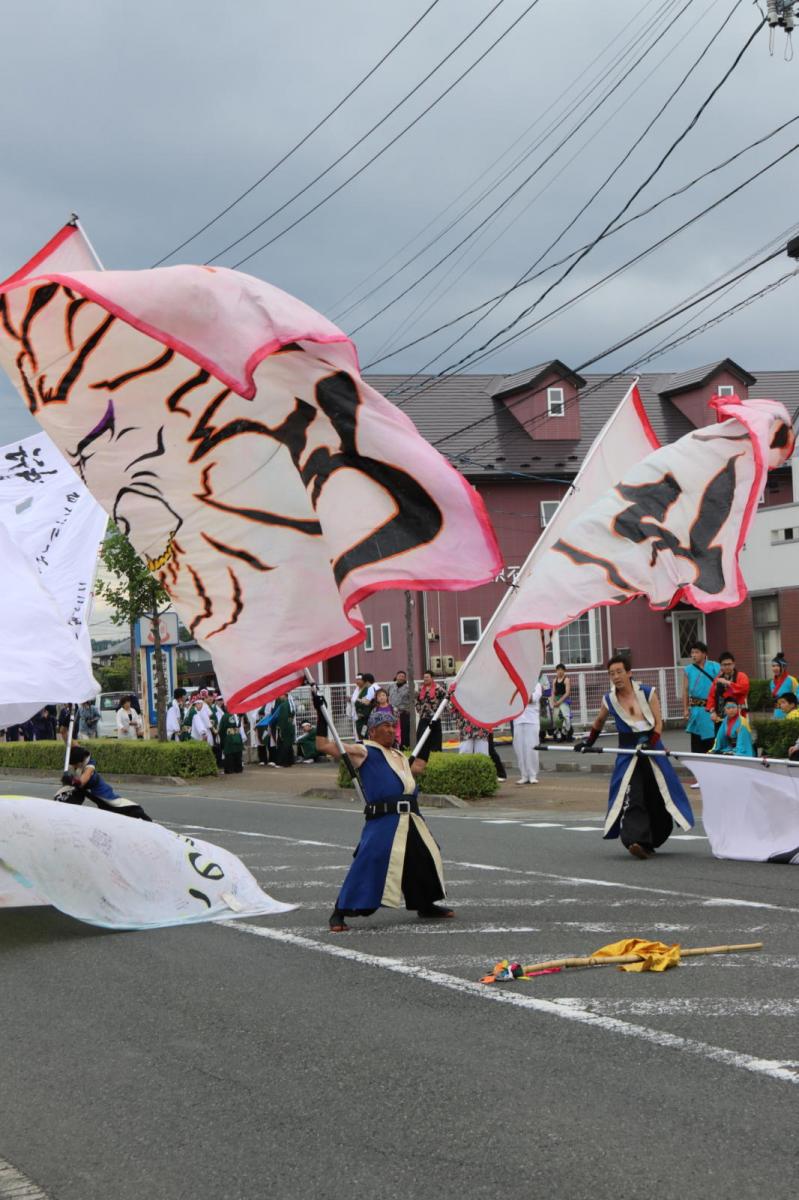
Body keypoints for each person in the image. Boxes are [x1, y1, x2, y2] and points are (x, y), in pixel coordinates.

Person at [315, 701, 453, 932]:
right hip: (384, 820)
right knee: (370, 860)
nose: (390, 729)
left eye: (392, 725)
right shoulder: (365, 751)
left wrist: (432, 732)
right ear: (372, 731)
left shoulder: (397, 755)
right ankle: (340, 911)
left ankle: (424, 904)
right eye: (384, 726)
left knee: (424, 857)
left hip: (411, 818)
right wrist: (321, 714)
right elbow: (323, 745)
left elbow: (418, 767)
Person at [576, 654, 694, 859]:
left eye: (619, 672)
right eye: (611, 673)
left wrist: (651, 741)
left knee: (657, 796)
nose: (616, 677)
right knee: (634, 795)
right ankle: (636, 841)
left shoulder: (648, 693)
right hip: (628, 751)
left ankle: (652, 839)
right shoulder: (609, 699)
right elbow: (599, 722)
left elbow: (658, 722)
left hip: (652, 748)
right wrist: (588, 742)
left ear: (629, 673)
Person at [57, 745, 152, 820]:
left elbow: (82, 782)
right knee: (66, 794)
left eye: (73, 764)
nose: (72, 766)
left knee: (133, 812)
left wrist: (71, 780)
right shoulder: (79, 755)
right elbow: (71, 742)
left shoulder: (89, 768)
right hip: (97, 801)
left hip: (107, 800)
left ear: (79, 762)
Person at [706, 652, 749, 724]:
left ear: (734, 664)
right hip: (720, 716)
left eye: (729, 664)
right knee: (719, 735)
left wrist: (728, 683)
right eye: (724, 665)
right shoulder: (717, 680)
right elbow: (711, 697)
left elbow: (743, 689)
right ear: (720, 666)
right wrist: (712, 712)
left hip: (739, 715)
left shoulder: (741, 676)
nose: (727, 666)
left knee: (739, 734)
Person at [513, 680, 542, 784]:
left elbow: (531, 699)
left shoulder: (536, 685)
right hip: (518, 719)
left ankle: (532, 774)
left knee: (531, 747)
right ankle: (524, 775)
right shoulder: (515, 684)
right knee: (519, 748)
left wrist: (519, 694)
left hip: (532, 720)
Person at [415, 671, 446, 753]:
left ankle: (436, 754)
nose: (425, 679)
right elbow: (417, 701)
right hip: (424, 716)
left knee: (435, 738)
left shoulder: (438, 688)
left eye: (427, 677)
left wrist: (439, 710)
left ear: (432, 678)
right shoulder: (421, 689)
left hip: (435, 717)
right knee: (421, 736)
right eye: (424, 677)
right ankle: (422, 754)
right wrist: (419, 709)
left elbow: (446, 699)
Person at [269, 693, 295, 767]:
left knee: (283, 745)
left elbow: (283, 718)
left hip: (285, 726)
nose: (279, 697)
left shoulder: (283, 705)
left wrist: (280, 728)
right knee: (288, 744)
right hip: (290, 725)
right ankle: (290, 761)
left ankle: (283, 763)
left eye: (281, 695)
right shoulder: (291, 703)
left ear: (285, 696)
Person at [770, 653, 799, 718]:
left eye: (777, 666)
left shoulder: (791, 680)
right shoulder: (772, 682)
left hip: (790, 713)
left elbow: (798, 693)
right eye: (773, 666)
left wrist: (791, 703)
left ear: (783, 667)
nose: (775, 668)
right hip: (777, 712)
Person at [388, 670, 412, 749]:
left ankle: (405, 747)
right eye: (399, 676)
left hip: (404, 713)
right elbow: (386, 695)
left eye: (403, 677)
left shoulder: (409, 687)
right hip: (392, 713)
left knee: (404, 731)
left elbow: (415, 697)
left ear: (405, 679)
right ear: (396, 676)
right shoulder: (391, 686)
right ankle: (393, 746)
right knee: (392, 730)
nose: (401, 678)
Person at [218, 706, 244, 773]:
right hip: (237, 736)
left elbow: (221, 729)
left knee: (229, 753)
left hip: (228, 737)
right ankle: (238, 769)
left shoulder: (225, 716)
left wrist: (222, 739)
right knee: (238, 752)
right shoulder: (237, 715)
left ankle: (230, 769)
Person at [551, 664, 572, 740]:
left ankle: (565, 730)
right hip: (556, 700)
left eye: (561, 670)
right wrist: (553, 701)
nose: (559, 671)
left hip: (564, 700)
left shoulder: (566, 679)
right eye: (558, 670)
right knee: (556, 718)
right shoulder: (554, 680)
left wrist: (559, 702)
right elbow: (553, 692)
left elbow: (567, 693)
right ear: (556, 671)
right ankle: (558, 732)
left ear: (564, 671)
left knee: (566, 716)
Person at [354, 673, 377, 740]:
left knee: (364, 734)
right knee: (360, 734)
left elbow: (368, 703)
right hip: (359, 716)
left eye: (360, 680)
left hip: (364, 718)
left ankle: (365, 747)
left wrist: (362, 713)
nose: (358, 681)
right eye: (357, 680)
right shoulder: (358, 689)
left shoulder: (368, 689)